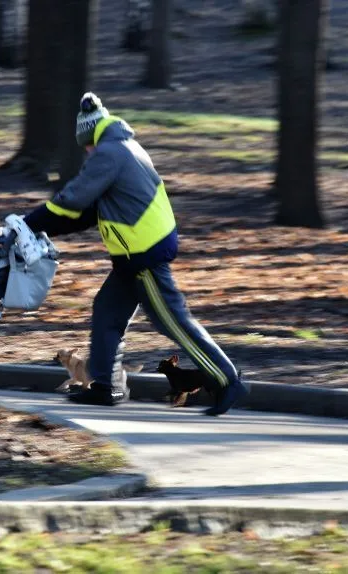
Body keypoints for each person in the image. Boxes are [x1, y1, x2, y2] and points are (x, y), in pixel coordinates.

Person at [20, 92, 248, 416]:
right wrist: (39, 228)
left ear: (91, 136)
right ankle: (105, 386)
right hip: (131, 256)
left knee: (171, 321)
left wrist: (29, 222)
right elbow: (86, 213)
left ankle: (228, 381)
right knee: (107, 312)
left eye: (86, 144)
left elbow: (72, 199)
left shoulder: (110, 152)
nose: (86, 151)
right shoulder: (121, 148)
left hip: (145, 254)